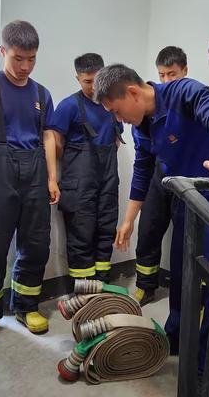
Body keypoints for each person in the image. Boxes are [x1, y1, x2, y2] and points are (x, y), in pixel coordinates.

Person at [93, 63, 209, 362]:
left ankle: (206, 360)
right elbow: (142, 171)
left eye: (117, 111)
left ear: (133, 92)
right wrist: (128, 220)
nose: (118, 120)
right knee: (181, 273)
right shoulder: (141, 128)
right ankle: (174, 337)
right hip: (186, 201)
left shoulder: (183, 91)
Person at [0, 20, 59, 348]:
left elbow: (47, 136)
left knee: (36, 244)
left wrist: (51, 178)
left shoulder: (41, 93)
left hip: (34, 173)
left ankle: (26, 306)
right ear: (3, 51)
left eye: (31, 59)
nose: (25, 66)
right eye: (18, 58)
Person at [51, 53, 123, 283]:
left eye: (97, 79)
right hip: (79, 184)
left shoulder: (113, 106)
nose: (93, 87)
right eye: (87, 81)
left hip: (108, 181)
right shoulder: (68, 106)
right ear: (78, 79)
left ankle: (101, 284)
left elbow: (115, 141)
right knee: (81, 235)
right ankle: (83, 291)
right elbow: (55, 145)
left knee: (106, 230)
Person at [134, 46, 188, 305]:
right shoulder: (146, 107)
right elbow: (142, 158)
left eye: (172, 75)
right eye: (162, 75)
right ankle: (145, 286)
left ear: (185, 72)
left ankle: (189, 297)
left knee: (187, 243)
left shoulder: (189, 103)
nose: (166, 81)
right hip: (159, 177)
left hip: (188, 182)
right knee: (147, 232)